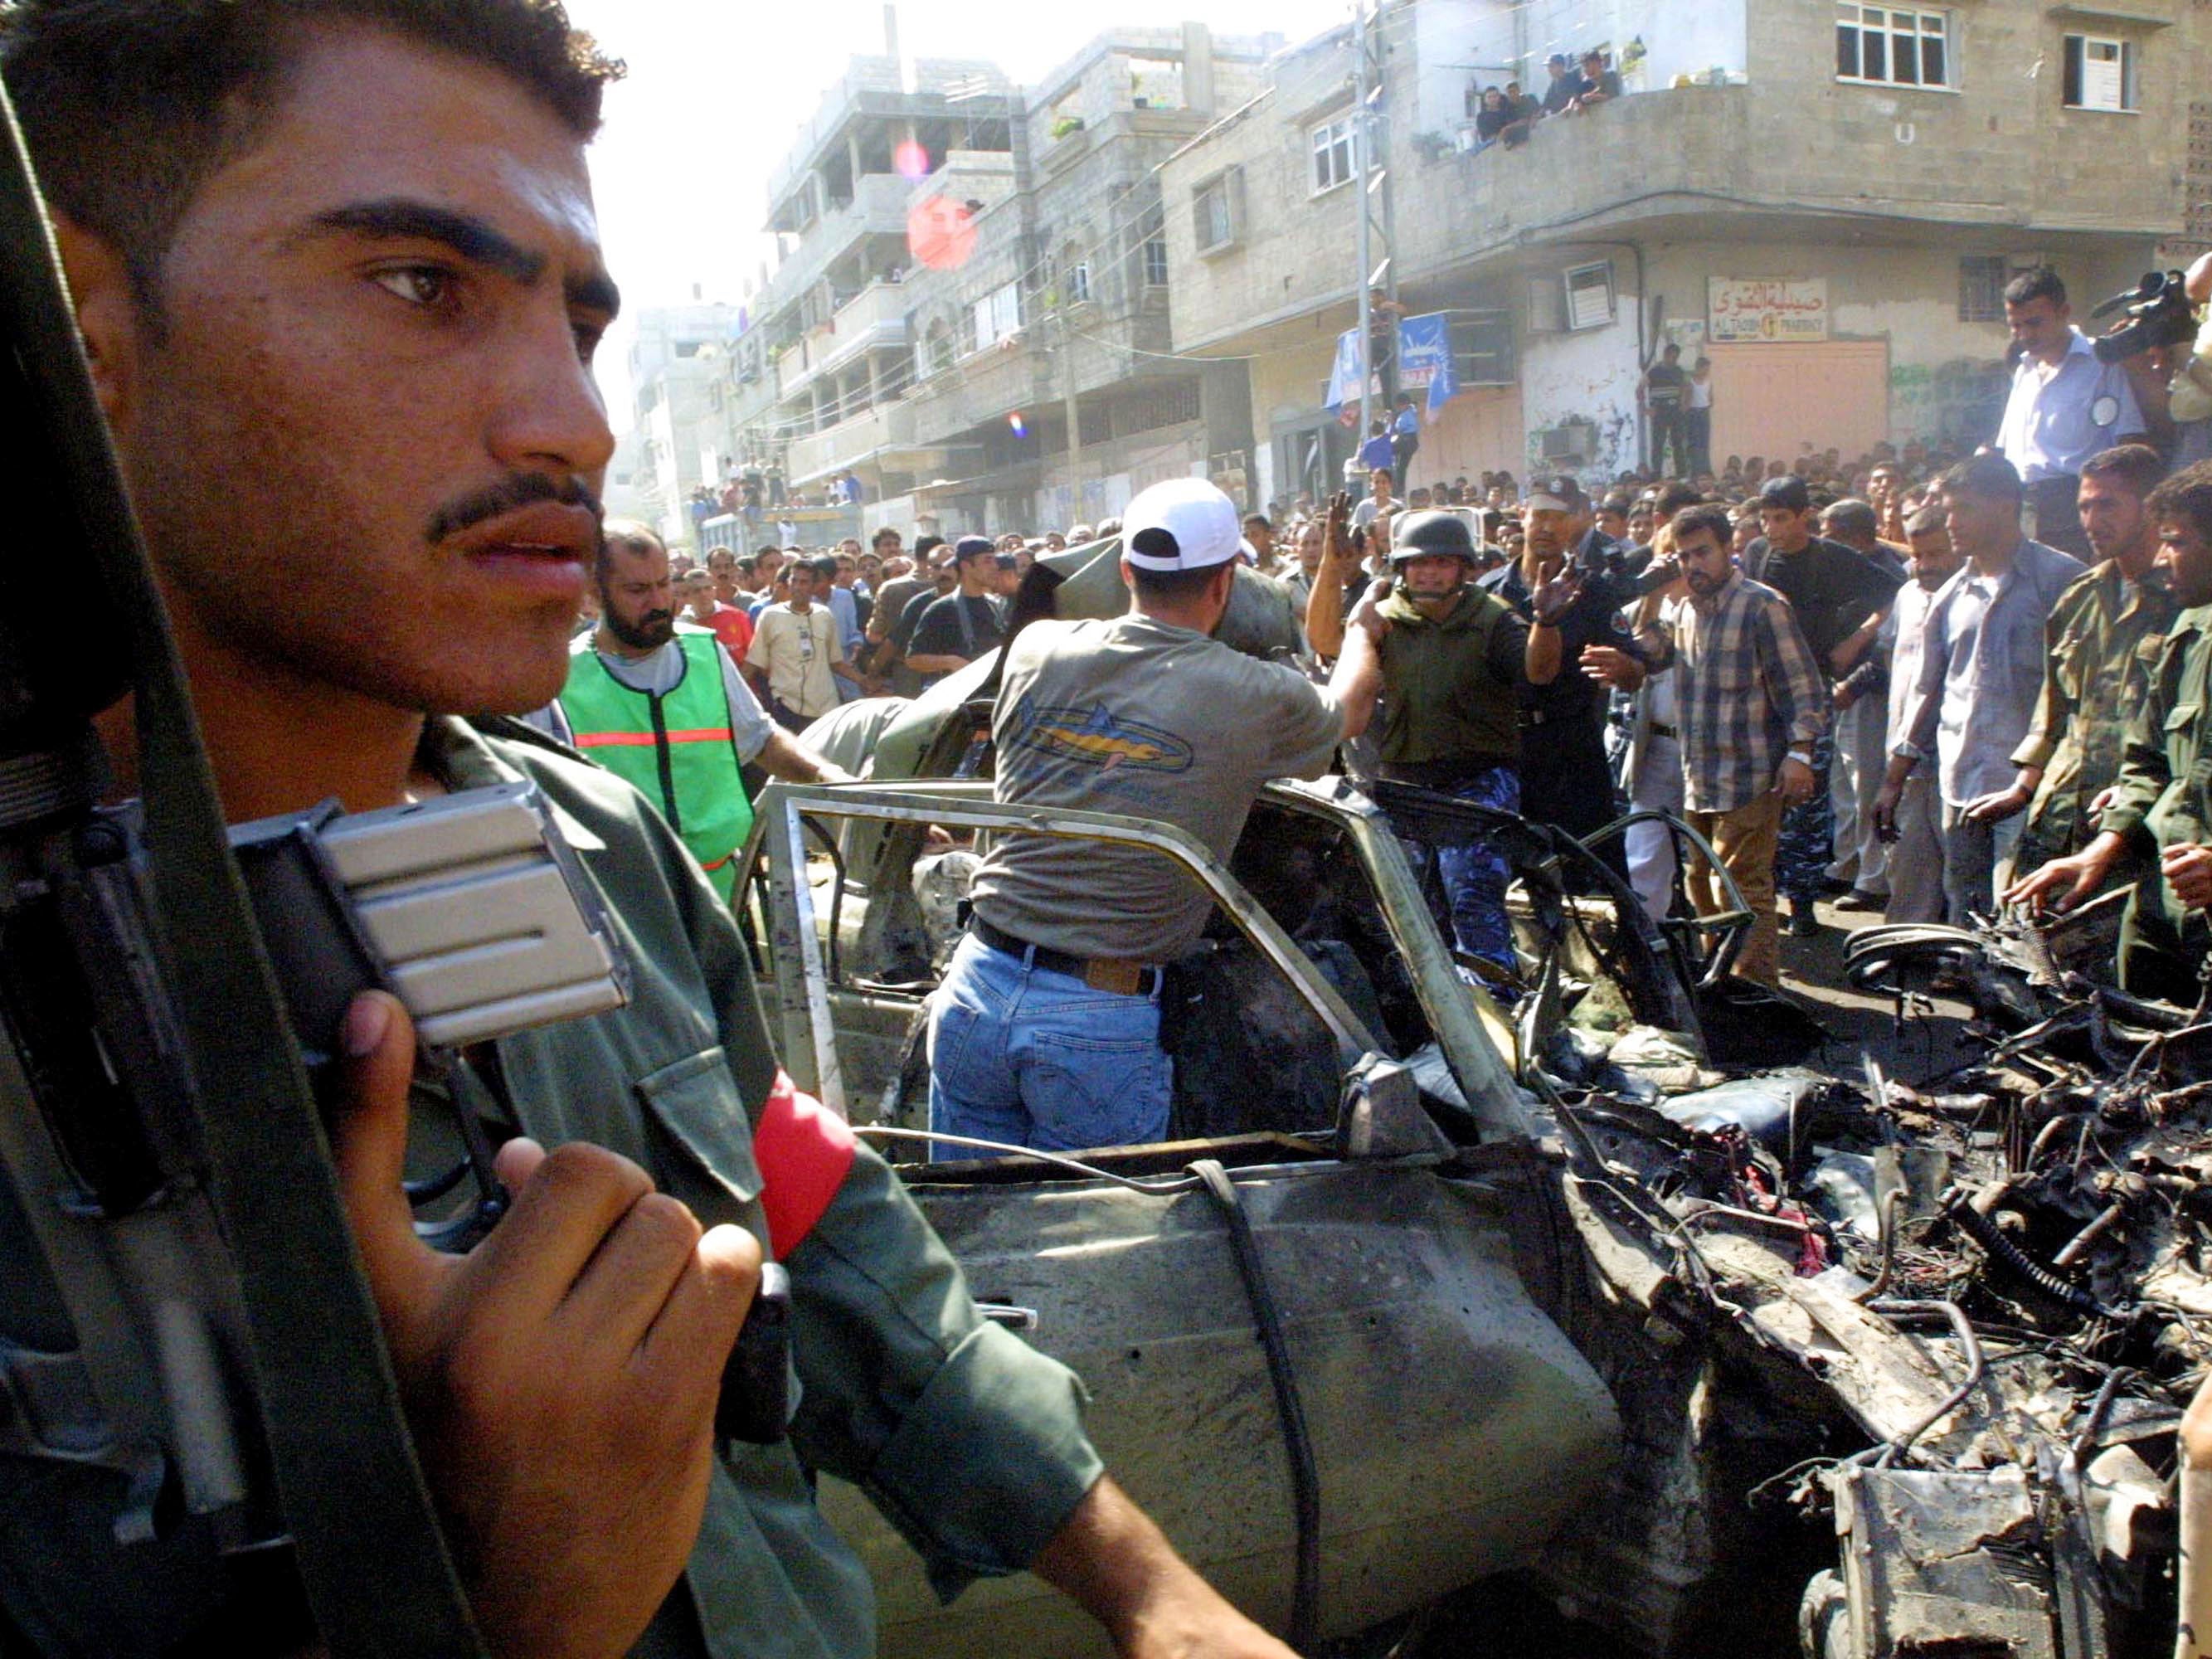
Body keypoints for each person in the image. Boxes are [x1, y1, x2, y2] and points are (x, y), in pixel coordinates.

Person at [1, 4, 1311, 1657]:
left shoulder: (594, 844)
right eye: (423, 285)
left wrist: (1146, 1590)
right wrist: (531, 1608)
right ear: (83, 324)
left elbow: (813, 1217)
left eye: (578, 321)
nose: (574, 423)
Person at [927, 479, 1378, 1151]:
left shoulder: (1035, 650)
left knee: (975, 1228)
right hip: (1098, 1017)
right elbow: (1350, 711)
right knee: (1102, 1235)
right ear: (1225, 583)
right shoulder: (1253, 692)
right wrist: (1365, 631)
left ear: (1126, 571)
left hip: (973, 986)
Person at [1310, 505, 1544, 979]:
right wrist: (1333, 569)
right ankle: (1439, 1020)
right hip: (1405, 788)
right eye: (1418, 563)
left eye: (1441, 563)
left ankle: (1499, 1014)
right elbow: (1324, 639)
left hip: (1475, 786)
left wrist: (1549, 624)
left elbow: (1537, 672)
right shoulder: (1385, 619)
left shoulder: (1494, 620)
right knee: (1414, 915)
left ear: (1463, 568)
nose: (1429, 573)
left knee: (1471, 900)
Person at [2007, 460, 2212, 1001]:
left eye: (2176, 542)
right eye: (2083, 505)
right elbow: (2151, 763)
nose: (2163, 558)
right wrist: (2097, 848)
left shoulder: (2179, 613)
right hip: (2147, 883)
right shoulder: (2183, 636)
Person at [551, 523, 846, 897]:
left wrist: (830, 778)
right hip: (623, 898)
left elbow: (760, 739)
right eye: (638, 590)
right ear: (594, 593)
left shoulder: (706, 653)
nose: (658, 602)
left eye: (663, 584)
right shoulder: (563, 677)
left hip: (722, 889)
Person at [1600, 506, 1827, 986]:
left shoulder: (1761, 605)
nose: (1692, 565)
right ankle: (1720, 980)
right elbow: (1646, 653)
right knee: (1701, 882)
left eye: (1702, 552)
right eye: (1683, 556)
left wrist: (1800, 753)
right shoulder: (1682, 611)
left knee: (1742, 888)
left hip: (1750, 775)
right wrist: (1649, 591)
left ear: (1729, 549)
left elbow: (1803, 688)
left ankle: (1756, 990)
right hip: (1697, 777)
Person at [1874, 456, 2086, 922]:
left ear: (2006, 505)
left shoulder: (2062, 581)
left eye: (1963, 509)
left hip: (2033, 794)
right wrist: (1894, 780)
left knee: (2025, 925)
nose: (1950, 523)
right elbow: (1930, 693)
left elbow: (2080, 696)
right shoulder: (1951, 595)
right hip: (1961, 784)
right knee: (1967, 921)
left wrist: (2034, 781)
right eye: (1948, 510)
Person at [1964, 444, 2178, 880]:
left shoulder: (2183, 600)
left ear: (2153, 507)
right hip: (2060, 809)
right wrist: (2023, 787)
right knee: (2030, 938)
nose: (2092, 521)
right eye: (2084, 506)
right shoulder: (2080, 597)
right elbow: (2054, 707)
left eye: (2107, 505)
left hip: (2140, 826)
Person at [1741, 474, 1902, 936]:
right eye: (1765, 518)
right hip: (1761, 693)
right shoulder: (1757, 555)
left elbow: (1895, 594)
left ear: (1804, 517)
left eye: (1780, 518)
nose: (1771, 527)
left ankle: (1804, 904)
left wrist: (1858, 639)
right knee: (1760, 799)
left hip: (1810, 696)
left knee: (1805, 805)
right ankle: (1761, 898)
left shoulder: (1833, 558)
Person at [1487, 474, 1641, 857]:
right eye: (1539, 515)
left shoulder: (1593, 593)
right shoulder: (1489, 593)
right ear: (1522, 516)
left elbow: (1636, 668)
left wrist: (1624, 668)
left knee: (1591, 870)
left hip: (1573, 749)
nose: (1547, 527)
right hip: (1505, 750)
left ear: (1575, 522)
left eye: (1558, 517)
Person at [1993, 265, 2147, 560]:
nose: (2024, 334)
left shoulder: (2101, 364)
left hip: (2074, 505)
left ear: (2064, 312)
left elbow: (2129, 442)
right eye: (2016, 326)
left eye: (2034, 323)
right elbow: (2007, 448)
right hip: (2021, 506)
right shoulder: (2024, 370)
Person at [1818, 497, 1909, 909]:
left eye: (1831, 535)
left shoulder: (1887, 576)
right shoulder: (1843, 569)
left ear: (1853, 536)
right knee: (1843, 785)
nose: (1824, 542)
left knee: (1867, 785)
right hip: (1841, 692)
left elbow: (1888, 645)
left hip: (1870, 694)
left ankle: (1873, 878)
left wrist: (1855, 683)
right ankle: (1847, 863)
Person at [748, 548, 847, 727]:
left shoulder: (824, 615)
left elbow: (836, 662)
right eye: (794, 581)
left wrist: (865, 680)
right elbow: (755, 663)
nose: (798, 587)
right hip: (788, 707)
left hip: (826, 708)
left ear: (814, 586)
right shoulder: (770, 615)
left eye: (804, 582)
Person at [904, 534, 1009, 684]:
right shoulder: (942, 610)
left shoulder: (996, 605)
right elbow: (913, 659)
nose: (995, 566)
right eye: (987, 561)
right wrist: (951, 662)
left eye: (994, 560)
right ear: (966, 566)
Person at [1641, 343, 1688, 477]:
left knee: (1678, 443)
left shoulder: (1679, 371)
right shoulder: (1654, 371)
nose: (1674, 360)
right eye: (1672, 356)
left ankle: (1682, 475)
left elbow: (1685, 387)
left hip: (1675, 411)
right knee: (1658, 444)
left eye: (1676, 357)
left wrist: (1684, 404)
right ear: (1665, 355)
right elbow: (1640, 389)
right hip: (1659, 411)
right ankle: (1656, 474)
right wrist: (1645, 408)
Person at [1685, 358, 1714, 477]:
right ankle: (1695, 469)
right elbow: (1686, 397)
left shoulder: (1709, 382)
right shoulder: (1690, 381)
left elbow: (1711, 398)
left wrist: (1708, 402)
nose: (1706, 371)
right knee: (1694, 442)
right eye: (1704, 369)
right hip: (1693, 412)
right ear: (1699, 367)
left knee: (1704, 442)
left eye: (1707, 369)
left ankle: (1705, 468)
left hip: (1704, 411)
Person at [1351, 464, 1396, 531]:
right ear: (1371, 485)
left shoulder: (1397, 506)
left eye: (1384, 482)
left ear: (1390, 485)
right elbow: (1355, 530)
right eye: (1376, 482)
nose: (1380, 486)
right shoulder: (1364, 507)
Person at [1390, 392, 1421, 484]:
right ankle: (1400, 487)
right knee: (1401, 467)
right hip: (1410, 441)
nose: (1399, 408)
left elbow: (1400, 427)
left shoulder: (1407, 415)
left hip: (1407, 439)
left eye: (1400, 406)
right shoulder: (1410, 411)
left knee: (1387, 450)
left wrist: (1393, 421)